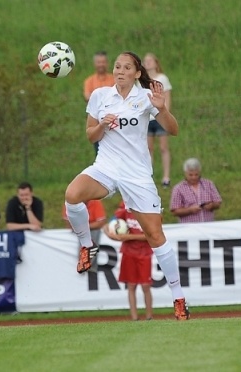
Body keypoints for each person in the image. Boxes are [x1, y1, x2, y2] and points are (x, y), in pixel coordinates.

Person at [64, 51, 190, 320]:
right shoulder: (99, 96)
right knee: (72, 195)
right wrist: (101, 125)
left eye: (126, 67)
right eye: (117, 66)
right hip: (106, 167)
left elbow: (174, 130)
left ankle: (178, 298)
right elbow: (90, 136)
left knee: (156, 237)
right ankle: (87, 245)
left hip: (137, 175)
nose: (120, 71)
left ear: (136, 73)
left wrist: (163, 109)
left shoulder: (146, 96)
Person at [104, 201, 153, 321]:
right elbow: (108, 224)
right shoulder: (125, 208)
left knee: (146, 286)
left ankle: (149, 316)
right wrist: (110, 234)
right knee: (131, 285)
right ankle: (134, 317)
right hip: (128, 252)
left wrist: (128, 237)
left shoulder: (149, 208)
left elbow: (151, 235)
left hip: (144, 252)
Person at [143, 53, 173, 188]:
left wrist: (164, 114)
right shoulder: (143, 81)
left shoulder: (162, 78)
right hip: (146, 118)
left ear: (156, 63)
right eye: (146, 61)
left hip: (159, 117)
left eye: (150, 61)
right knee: (148, 148)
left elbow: (167, 97)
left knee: (163, 147)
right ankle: (149, 175)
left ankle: (166, 177)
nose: (148, 63)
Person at [170, 158, 222, 223]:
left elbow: (218, 203)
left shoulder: (209, 184)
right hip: (188, 227)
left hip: (208, 225)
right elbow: (174, 211)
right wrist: (189, 210)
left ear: (199, 172)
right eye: (190, 175)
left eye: (196, 174)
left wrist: (211, 206)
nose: (194, 177)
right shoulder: (178, 188)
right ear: (185, 173)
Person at [83, 51, 115, 154]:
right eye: (98, 62)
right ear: (95, 63)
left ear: (107, 63)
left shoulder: (113, 79)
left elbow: (117, 96)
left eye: (103, 62)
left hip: (113, 120)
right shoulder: (89, 81)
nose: (101, 64)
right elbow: (87, 97)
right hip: (96, 120)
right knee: (99, 149)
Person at [62, 200, 106, 272]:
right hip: (78, 229)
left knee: (93, 232)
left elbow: (100, 223)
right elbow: (69, 223)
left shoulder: (95, 202)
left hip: (90, 229)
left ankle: (87, 263)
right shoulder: (70, 203)